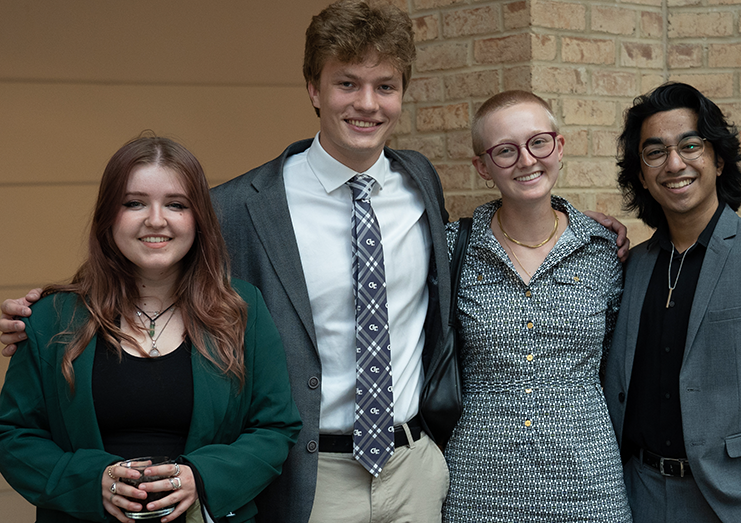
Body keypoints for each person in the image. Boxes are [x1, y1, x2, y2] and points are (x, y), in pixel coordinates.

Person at [0, 2, 630, 522]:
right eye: (346, 83)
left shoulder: (419, 183)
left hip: (416, 469)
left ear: (403, 94)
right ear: (313, 89)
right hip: (309, 474)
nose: (367, 103)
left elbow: (500, 231)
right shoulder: (243, 206)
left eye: (385, 87)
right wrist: (50, 312)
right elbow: (158, 263)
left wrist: (586, 223)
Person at [0, 135, 302, 523]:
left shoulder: (243, 310)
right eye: (134, 203)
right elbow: (13, 436)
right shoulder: (51, 318)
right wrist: (93, 482)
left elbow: (275, 427)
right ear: (109, 216)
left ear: (199, 219)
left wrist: (203, 479)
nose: (156, 220)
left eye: (176, 204)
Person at [603, 82, 741, 523]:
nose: (674, 164)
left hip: (733, 503)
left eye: (690, 145)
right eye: (654, 153)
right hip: (636, 496)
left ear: (718, 158)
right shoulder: (630, 266)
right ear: (640, 174)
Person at [442, 90, 632, 522]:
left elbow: (618, 361)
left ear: (559, 147)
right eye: (505, 151)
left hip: (588, 478)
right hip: (479, 481)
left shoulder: (602, 249)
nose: (526, 161)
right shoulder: (454, 248)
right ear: (483, 167)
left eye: (538, 142)